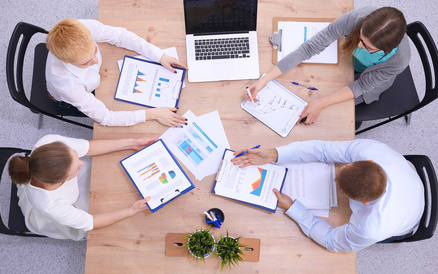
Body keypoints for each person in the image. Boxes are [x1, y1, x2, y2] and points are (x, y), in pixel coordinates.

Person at [231, 139, 424, 252]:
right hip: (411, 177)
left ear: (364, 202)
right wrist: (274, 155)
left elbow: (331, 240)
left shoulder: (371, 228)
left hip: (407, 220)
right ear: (369, 161)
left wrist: (293, 209)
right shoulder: (369, 149)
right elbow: (322, 149)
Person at [245, 7, 409, 125]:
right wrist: (265, 80)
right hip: (347, 63)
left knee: (336, 117)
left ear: (386, 50)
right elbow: (309, 48)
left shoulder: (398, 61)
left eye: (368, 47)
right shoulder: (357, 18)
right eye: (360, 38)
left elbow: (363, 85)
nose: (359, 46)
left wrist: (321, 103)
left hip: (370, 81)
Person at [8, 134, 156, 240]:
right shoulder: (51, 205)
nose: (82, 163)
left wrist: (132, 142)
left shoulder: (49, 142)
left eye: (76, 157)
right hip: (55, 214)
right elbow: (91, 222)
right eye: (76, 169)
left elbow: (88, 147)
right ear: (61, 181)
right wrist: (131, 210)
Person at [45, 18, 188, 127]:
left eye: (94, 51)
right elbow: (106, 118)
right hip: (69, 102)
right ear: (67, 62)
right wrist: (152, 114)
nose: (95, 61)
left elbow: (120, 36)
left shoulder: (81, 28)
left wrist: (159, 56)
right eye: (85, 63)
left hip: (97, 81)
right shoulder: (68, 86)